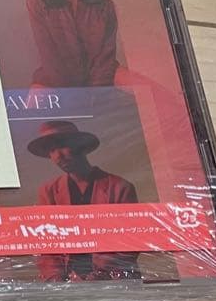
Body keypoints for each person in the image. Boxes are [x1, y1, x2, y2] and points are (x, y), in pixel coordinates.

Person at [27, 120, 140, 281]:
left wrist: (99, 276)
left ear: (80, 146)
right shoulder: (48, 191)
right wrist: (57, 280)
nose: (58, 156)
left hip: (115, 281)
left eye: (62, 146)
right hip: (65, 286)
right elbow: (45, 244)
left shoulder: (120, 187)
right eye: (52, 150)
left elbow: (130, 240)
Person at [27, 0, 119, 88]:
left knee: (144, 86)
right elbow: (48, 54)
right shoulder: (37, 2)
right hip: (55, 78)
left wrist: (97, 90)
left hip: (99, 75)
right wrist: (68, 93)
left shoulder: (104, 5)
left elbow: (106, 55)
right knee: (35, 98)